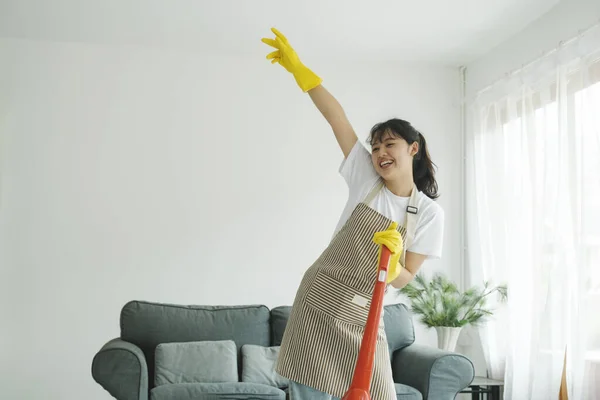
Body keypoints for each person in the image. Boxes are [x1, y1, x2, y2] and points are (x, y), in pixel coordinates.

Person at [261, 28, 444, 400]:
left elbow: (405, 277)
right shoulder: (366, 178)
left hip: (365, 316)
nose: (380, 153)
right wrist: (300, 71)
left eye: (389, 144)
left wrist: (393, 267)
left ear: (413, 149)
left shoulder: (427, 214)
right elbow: (336, 118)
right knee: (308, 393)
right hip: (319, 298)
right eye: (375, 147)